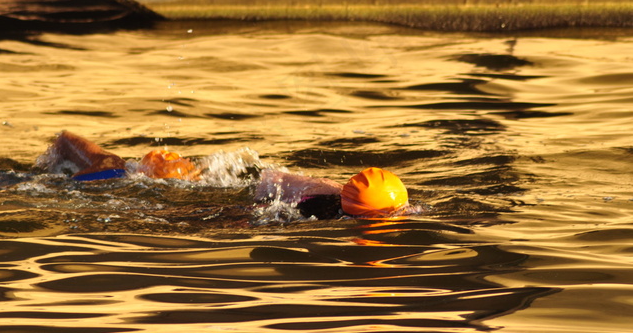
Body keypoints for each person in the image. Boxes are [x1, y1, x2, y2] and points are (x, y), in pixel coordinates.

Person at [36, 131, 409, 219]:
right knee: (111, 168)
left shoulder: (391, 201)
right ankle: (65, 142)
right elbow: (245, 215)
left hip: (238, 182)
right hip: (200, 183)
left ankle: (64, 144)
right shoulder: (321, 206)